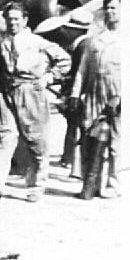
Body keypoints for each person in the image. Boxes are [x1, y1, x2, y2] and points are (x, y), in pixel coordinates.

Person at [0, 2, 70, 203]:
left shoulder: (37, 42)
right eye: (9, 19)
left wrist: (49, 78)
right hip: (6, 90)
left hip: (30, 92)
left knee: (36, 140)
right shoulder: (1, 41)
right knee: (2, 138)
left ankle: (37, 186)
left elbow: (64, 60)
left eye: (17, 19)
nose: (12, 23)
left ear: (25, 20)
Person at [71, 0, 121, 199]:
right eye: (107, 8)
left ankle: (113, 183)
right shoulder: (95, 40)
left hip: (117, 93)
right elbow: (82, 69)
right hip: (93, 93)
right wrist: (75, 94)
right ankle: (90, 184)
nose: (110, 12)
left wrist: (121, 97)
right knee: (89, 137)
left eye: (114, 8)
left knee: (116, 142)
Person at [51, 10, 94, 177]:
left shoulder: (82, 46)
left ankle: (71, 159)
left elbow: (79, 73)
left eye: (68, 28)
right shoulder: (86, 43)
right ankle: (69, 158)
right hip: (79, 91)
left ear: (75, 30)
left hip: (78, 92)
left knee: (74, 125)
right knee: (74, 125)